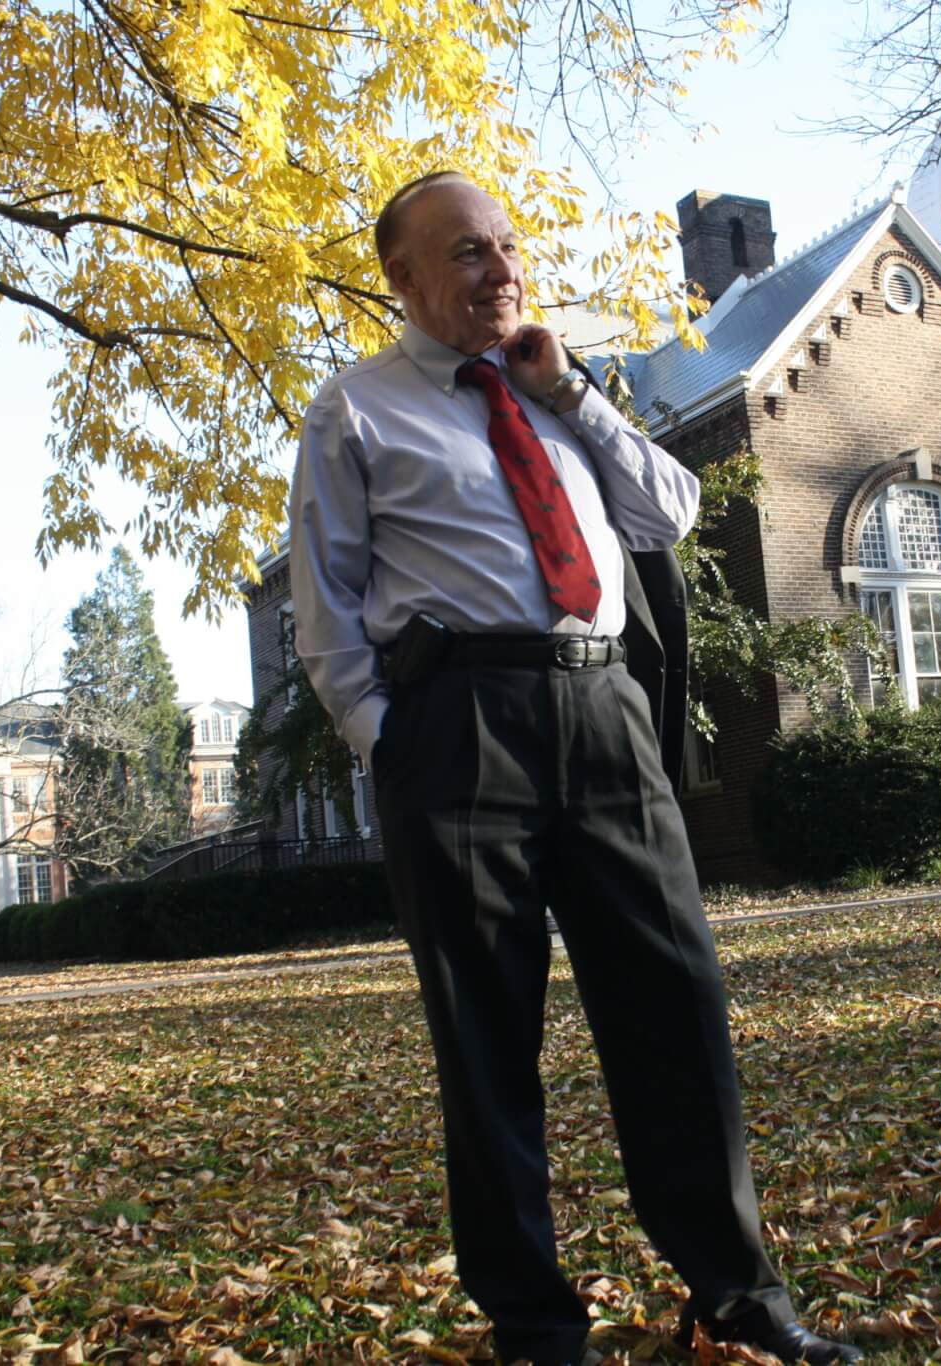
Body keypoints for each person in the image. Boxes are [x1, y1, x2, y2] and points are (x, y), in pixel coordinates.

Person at [287, 172, 861, 1366]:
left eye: (503, 245)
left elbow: (671, 511)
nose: (497, 269)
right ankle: (537, 1332)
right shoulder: (355, 411)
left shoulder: (561, 395)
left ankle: (735, 1296)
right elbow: (327, 604)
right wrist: (384, 738)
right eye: (463, 253)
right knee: (487, 1040)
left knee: (675, 1010)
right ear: (401, 278)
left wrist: (576, 395)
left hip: (605, 714)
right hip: (458, 730)